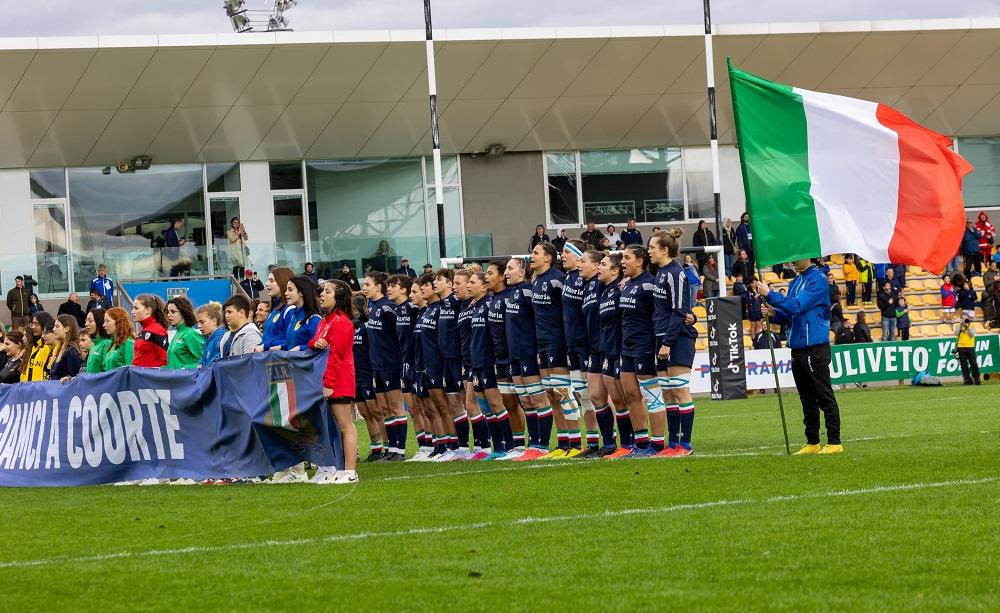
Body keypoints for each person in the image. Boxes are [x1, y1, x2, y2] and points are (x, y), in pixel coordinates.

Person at [756, 259, 842, 455]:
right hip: (797, 348)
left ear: (808, 256)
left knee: (823, 395)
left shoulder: (818, 279)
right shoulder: (795, 281)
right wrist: (774, 313)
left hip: (815, 347)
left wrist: (770, 294)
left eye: (796, 256)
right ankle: (812, 441)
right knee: (806, 399)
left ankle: (834, 441)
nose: (792, 260)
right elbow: (790, 315)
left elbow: (797, 306)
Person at [650, 230, 698, 456]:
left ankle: (685, 445)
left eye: (652, 247)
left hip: (676, 339)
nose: (649, 251)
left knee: (680, 391)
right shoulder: (660, 273)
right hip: (662, 338)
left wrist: (667, 343)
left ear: (664, 250)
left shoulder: (676, 273)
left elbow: (679, 311)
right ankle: (673, 444)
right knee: (668, 393)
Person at [308, 279, 359, 484]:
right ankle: (335, 468)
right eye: (322, 291)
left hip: (339, 380)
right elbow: (313, 342)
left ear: (338, 297)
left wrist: (328, 384)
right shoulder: (325, 320)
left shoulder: (342, 322)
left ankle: (349, 470)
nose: (322, 294)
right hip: (327, 379)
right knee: (331, 427)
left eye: (327, 291)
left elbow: (337, 356)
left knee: (345, 425)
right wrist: (315, 342)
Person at [503, 257, 550, 461]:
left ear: (522, 272)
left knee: (538, 400)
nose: (506, 272)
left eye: (510, 268)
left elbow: (539, 319)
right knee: (525, 402)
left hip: (528, 353)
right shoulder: (512, 293)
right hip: (514, 355)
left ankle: (543, 446)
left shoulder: (528, 291)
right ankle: (533, 444)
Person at [616, 244, 658, 458]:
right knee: (630, 394)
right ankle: (640, 443)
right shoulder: (627, 284)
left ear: (640, 261)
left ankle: (657, 444)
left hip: (644, 345)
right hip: (627, 347)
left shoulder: (649, 284)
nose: (622, 261)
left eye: (627, 257)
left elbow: (659, 313)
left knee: (651, 395)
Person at [363, 271, 407, 461]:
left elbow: (398, 335)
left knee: (396, 406)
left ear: (377, 287)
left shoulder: (388, 308)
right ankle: (390, 448)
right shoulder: (372, 308)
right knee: (384, 409)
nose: (364, 288)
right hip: (376, 365)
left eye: (367, 284)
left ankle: (400, 451)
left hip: (390, 364)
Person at [256, 266, 295, 352]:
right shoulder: (274, 310)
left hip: (281, 362)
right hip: (269, 361)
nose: (266, 284)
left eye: (271, 280)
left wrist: (266, 346)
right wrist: (260, 345)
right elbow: (268, 339)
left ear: (283, 282)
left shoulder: (290, 310)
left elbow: (293, 342)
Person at [281, 276, 322, 351]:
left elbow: (319, 348)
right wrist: (273, 347)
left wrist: (300, 348)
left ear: (301, 293)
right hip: (292, 362)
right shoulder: (294, 317)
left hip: (305, 363)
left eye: (290, 290)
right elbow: (290, 345)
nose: (285, 293)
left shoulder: (314, 319)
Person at [164, 297, 205, 369]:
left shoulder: (190, 334)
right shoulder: (178, 333)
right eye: (168, 312)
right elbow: (173, 365)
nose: (168, 315)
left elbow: (204, 362)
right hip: (174, 379)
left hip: (185, 379)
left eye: (173, 312)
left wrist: (185, 369)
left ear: (183, 312)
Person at [131, 294, 169, 368]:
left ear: (148, 310)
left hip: (147, 378)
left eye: (136, 308)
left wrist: (145, 371)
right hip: (138, 377)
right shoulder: (143, 330)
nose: (132, 311)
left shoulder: (157, 331)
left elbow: (165, 360)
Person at [21, 312, 54, 382]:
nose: (33, 327)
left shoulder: (50, 346)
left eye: (37, 324)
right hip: (28, 389)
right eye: (32, 324)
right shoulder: (34, 345)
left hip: (40, 390)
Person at [50, 315, 82, 381]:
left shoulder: (72, 350)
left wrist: (69, 378)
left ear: (66, 329)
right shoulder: (61, 349)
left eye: (57, 326)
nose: (53, 329)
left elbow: (74, 376)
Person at [197, 302, 225, 367]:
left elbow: (218, 363)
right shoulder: (208, 338)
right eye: (198, 323)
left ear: (214, 321)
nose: (199, 326)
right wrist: (200, 364)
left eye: (202, 322)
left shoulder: (220, 338)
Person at [84, 309, 111, 374]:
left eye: (90, 321)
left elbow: (108, 372)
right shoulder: (93, 344)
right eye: (86, 321)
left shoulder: (107, 343)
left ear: (99, 322)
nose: (86, 324)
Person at [955, 318, 980, 385]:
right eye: (963, 319)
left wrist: (967, 327)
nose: (964, 321)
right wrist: (960, 325)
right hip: (961, 347)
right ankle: (967, 380)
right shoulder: (957, 325)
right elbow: (956, 334)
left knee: (974, 363)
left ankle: (977, 379)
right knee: (964, 365)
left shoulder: (972, 325)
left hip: (970, 346)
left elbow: (971, 335)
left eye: (966, 319)